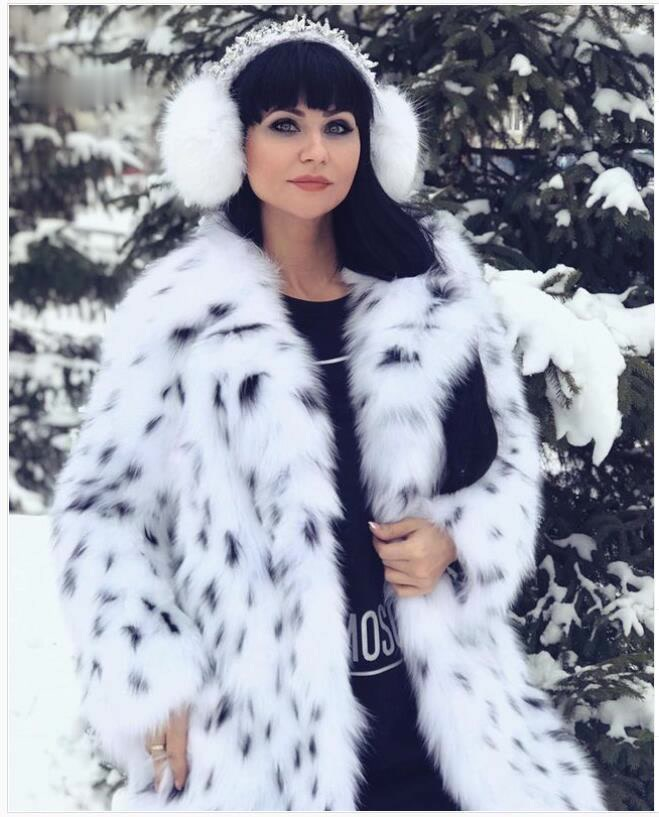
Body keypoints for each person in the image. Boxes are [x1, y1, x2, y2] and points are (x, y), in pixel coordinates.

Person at [49, 15, 606, 812]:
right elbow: (100, 510)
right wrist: (149, 673)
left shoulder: (430, 288)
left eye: (337, 126)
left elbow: (507, 460)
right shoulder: (177, 316)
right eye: (285, 124)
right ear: (231, 142)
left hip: (449, 730)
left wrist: (458, 541)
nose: (315, 150)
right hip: (264, 747)